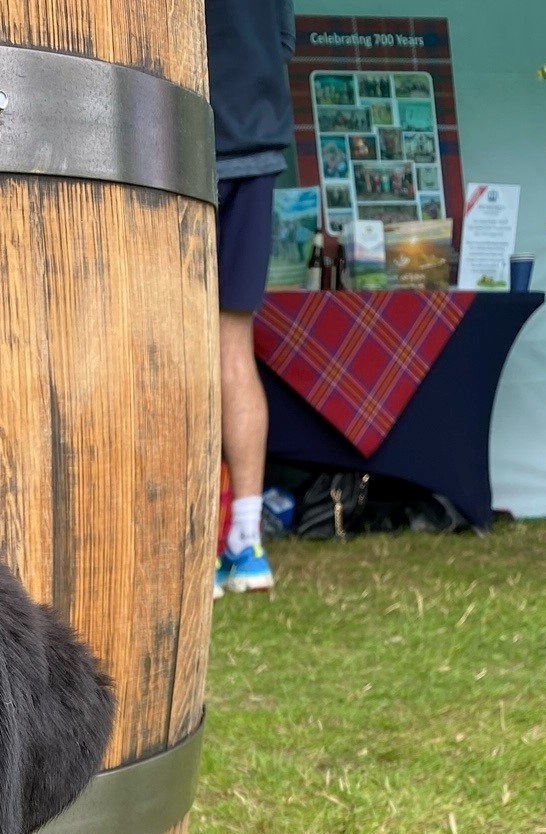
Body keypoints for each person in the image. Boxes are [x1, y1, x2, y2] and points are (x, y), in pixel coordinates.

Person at [207, 0, 296, 595]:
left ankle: (200, 544)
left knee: (175, 344)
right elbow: (283, 40)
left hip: (179, 140)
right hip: (256, 139)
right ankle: (246, 541)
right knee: (233, 347)